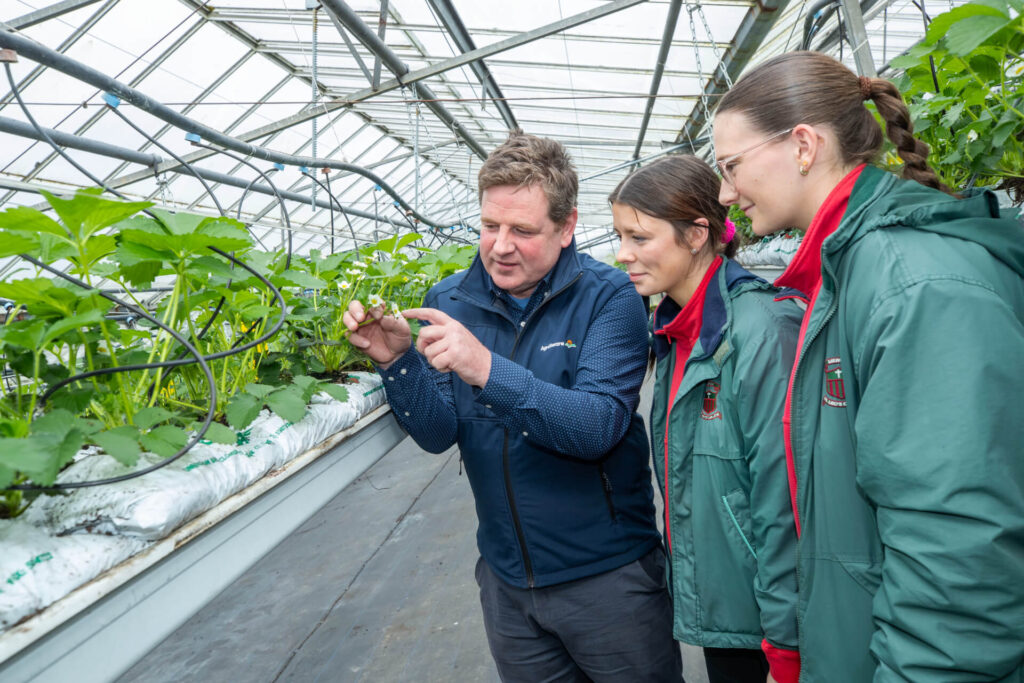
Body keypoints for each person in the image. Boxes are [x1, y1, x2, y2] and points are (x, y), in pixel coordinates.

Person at [712, 50, 1024, 681]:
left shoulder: (913, 286)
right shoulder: (849, 271)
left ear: (803, 145)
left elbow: (960, 563)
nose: (724, 193)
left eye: (730, 166)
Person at [343, 129, 682, 682]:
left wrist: (486, 368)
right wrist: (398, 362)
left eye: (523, 230)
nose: (501, 245)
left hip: (608, 580)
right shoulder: (449, 300)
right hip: (507, 585)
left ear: (567, 226)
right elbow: (438, 432)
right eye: (489, 225)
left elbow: (597, 426)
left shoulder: (611, 298)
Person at [610, 155, 802, 683]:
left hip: (777, 614)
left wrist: (787, 637)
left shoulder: (761, 328)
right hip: (731, 605)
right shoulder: (674, 331)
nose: (622, 254)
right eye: (619, 236)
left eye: (639, 237)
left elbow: (788, 499)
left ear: (697, 235)